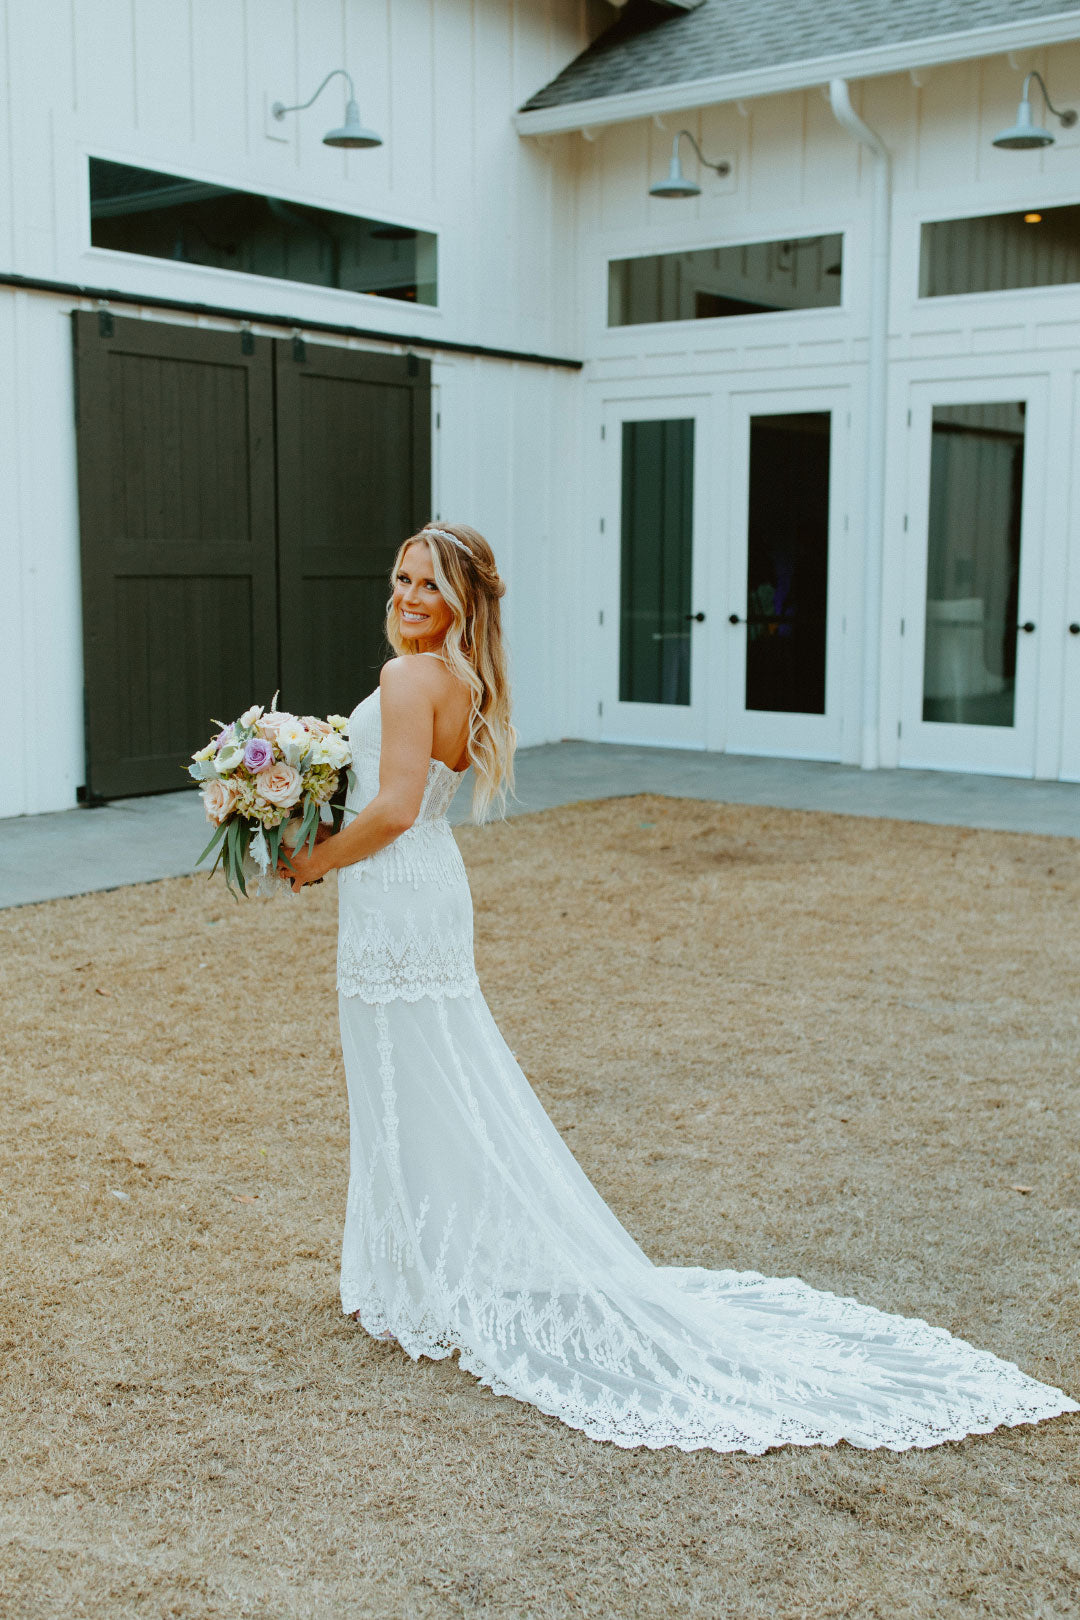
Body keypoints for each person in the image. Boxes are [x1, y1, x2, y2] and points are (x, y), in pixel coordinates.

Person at [281, 522, 1077, 1454]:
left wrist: (314, 862)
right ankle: (414, 1269)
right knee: (424, 1077)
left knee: (407, 1080)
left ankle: (415, 1276)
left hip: (394, 894)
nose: (409, 595)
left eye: (430, 583)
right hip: (423, 895)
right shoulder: (463, 680)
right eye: (402, 577)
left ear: (465, 597)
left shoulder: (407, 679)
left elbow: (391, 807)